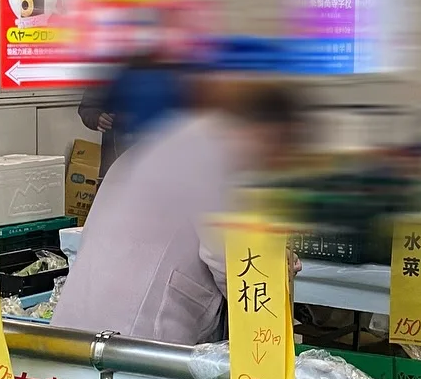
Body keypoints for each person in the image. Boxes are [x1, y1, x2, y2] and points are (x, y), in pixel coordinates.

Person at [54, 80, 302, 344]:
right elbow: (236, 263)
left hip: (78, 328)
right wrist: (277, 266)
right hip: (136, 336)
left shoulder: (159, 143)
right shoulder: (219, 157)